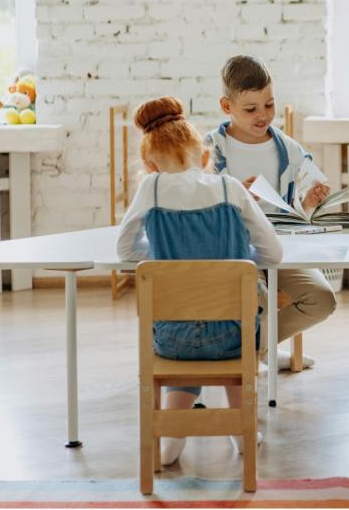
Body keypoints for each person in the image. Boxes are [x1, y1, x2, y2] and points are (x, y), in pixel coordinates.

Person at [117, 96, 282, 466]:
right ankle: (242, 431)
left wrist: (164, 260)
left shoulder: (150, 189)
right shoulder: (231, 189)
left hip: (172, 339)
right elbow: (272, 255)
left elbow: (126, 251)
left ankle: (173, 435)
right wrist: (237, 264)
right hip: (231, 336)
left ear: (149, 164)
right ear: (205, 156)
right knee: (234, 337)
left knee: (183, 328)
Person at [204, 55, 337, 370]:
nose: (263, 115)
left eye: (269, 105)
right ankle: (254, 352)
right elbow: (199, 204)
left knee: (322, 299)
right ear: (227, 107)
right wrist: (235, 192)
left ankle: (255, 349)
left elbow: (294, 214)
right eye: (250, 109)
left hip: (279, 246)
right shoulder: (212, 149)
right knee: (256, 298)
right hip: (231, 251)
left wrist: (309, 203)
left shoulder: (288, 149)